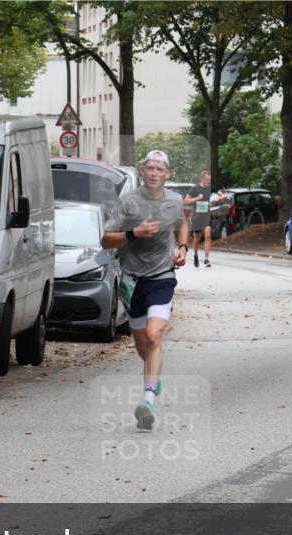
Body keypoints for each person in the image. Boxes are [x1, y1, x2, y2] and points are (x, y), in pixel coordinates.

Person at [102, 150, 189, 430]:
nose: (154, 173)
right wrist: (133, 234)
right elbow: (105, 240)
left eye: (159, 169)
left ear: (167, 174)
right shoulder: (128, 203)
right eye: (149, 168)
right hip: (132, 281)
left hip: (162, 278)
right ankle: (155, 374)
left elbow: (182, 224)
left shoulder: (174, 201)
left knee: (154, 336)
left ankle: (148, 401)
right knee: (142, 345)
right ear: (142, 171)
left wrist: (183, 247)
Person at [183, 171, 225, 267]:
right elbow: (186, 201)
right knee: (197, 238)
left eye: (210, 180)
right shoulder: (195, 189)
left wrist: (220, 198)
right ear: (202, 179)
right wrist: (197, 198)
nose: (209, 182)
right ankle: (196, 254)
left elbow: (222, 195)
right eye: (207, 180)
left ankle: (206, 259)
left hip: (206, 216)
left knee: (208, 234)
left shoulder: (211, 188)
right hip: (197, 216)